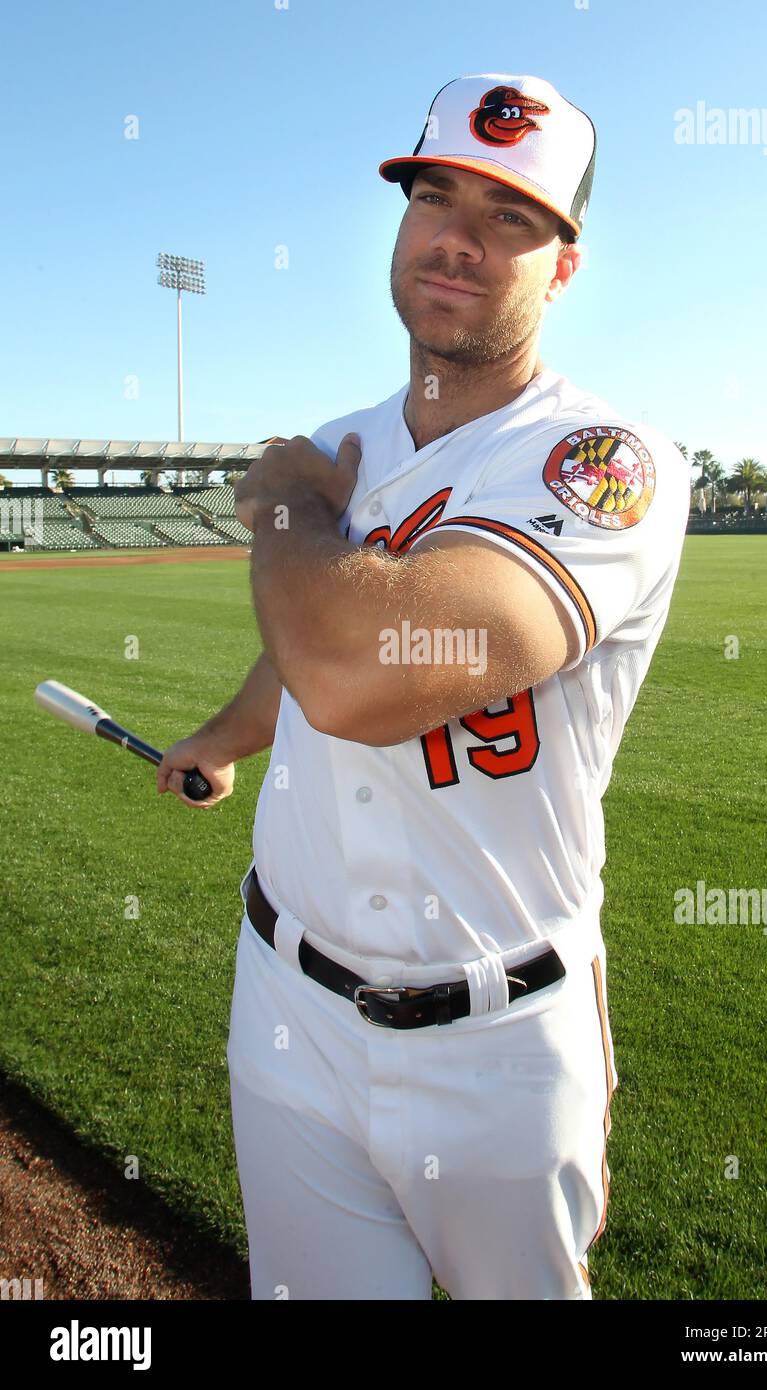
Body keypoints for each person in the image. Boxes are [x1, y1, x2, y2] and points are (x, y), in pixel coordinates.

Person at [158, 73, 690, 1301]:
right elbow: (299, 658)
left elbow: (352, 667)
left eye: (511, 216)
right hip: (288, 1008)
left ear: (563, 265)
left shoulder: (605, 463)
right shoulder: (350, 440)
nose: (457, 235)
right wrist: (223, 735)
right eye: (433, 195)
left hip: (497, 1041)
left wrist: (287, 508)